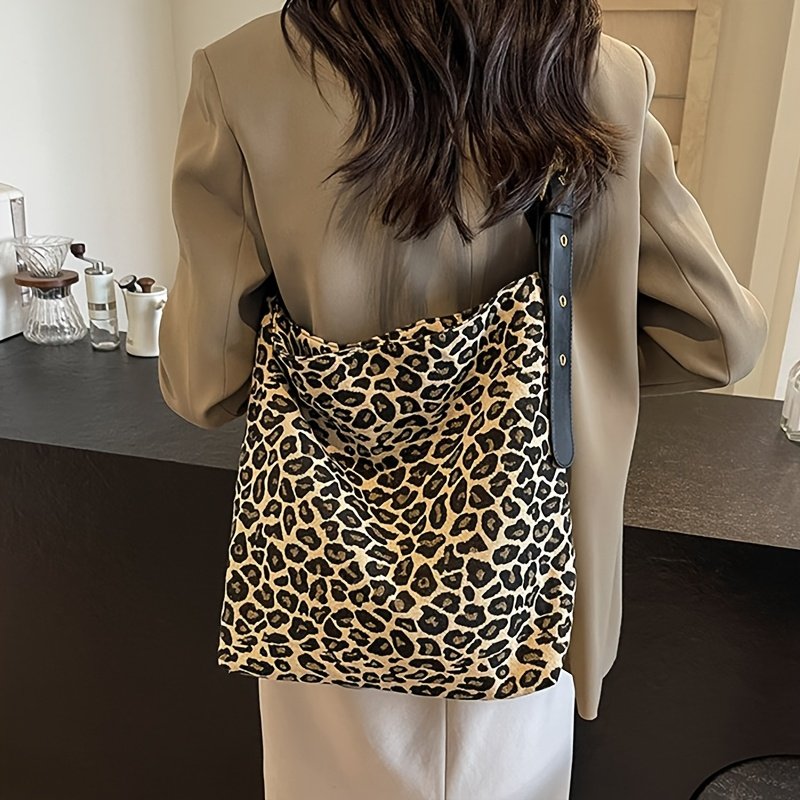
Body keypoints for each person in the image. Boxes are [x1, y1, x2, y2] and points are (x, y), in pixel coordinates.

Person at [157, 3, 769, 799]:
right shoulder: (598, 75)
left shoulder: (241, 73)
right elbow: (722, 335)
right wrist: (558, 365)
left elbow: (203, 386)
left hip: (329, 609)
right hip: (528, 594)